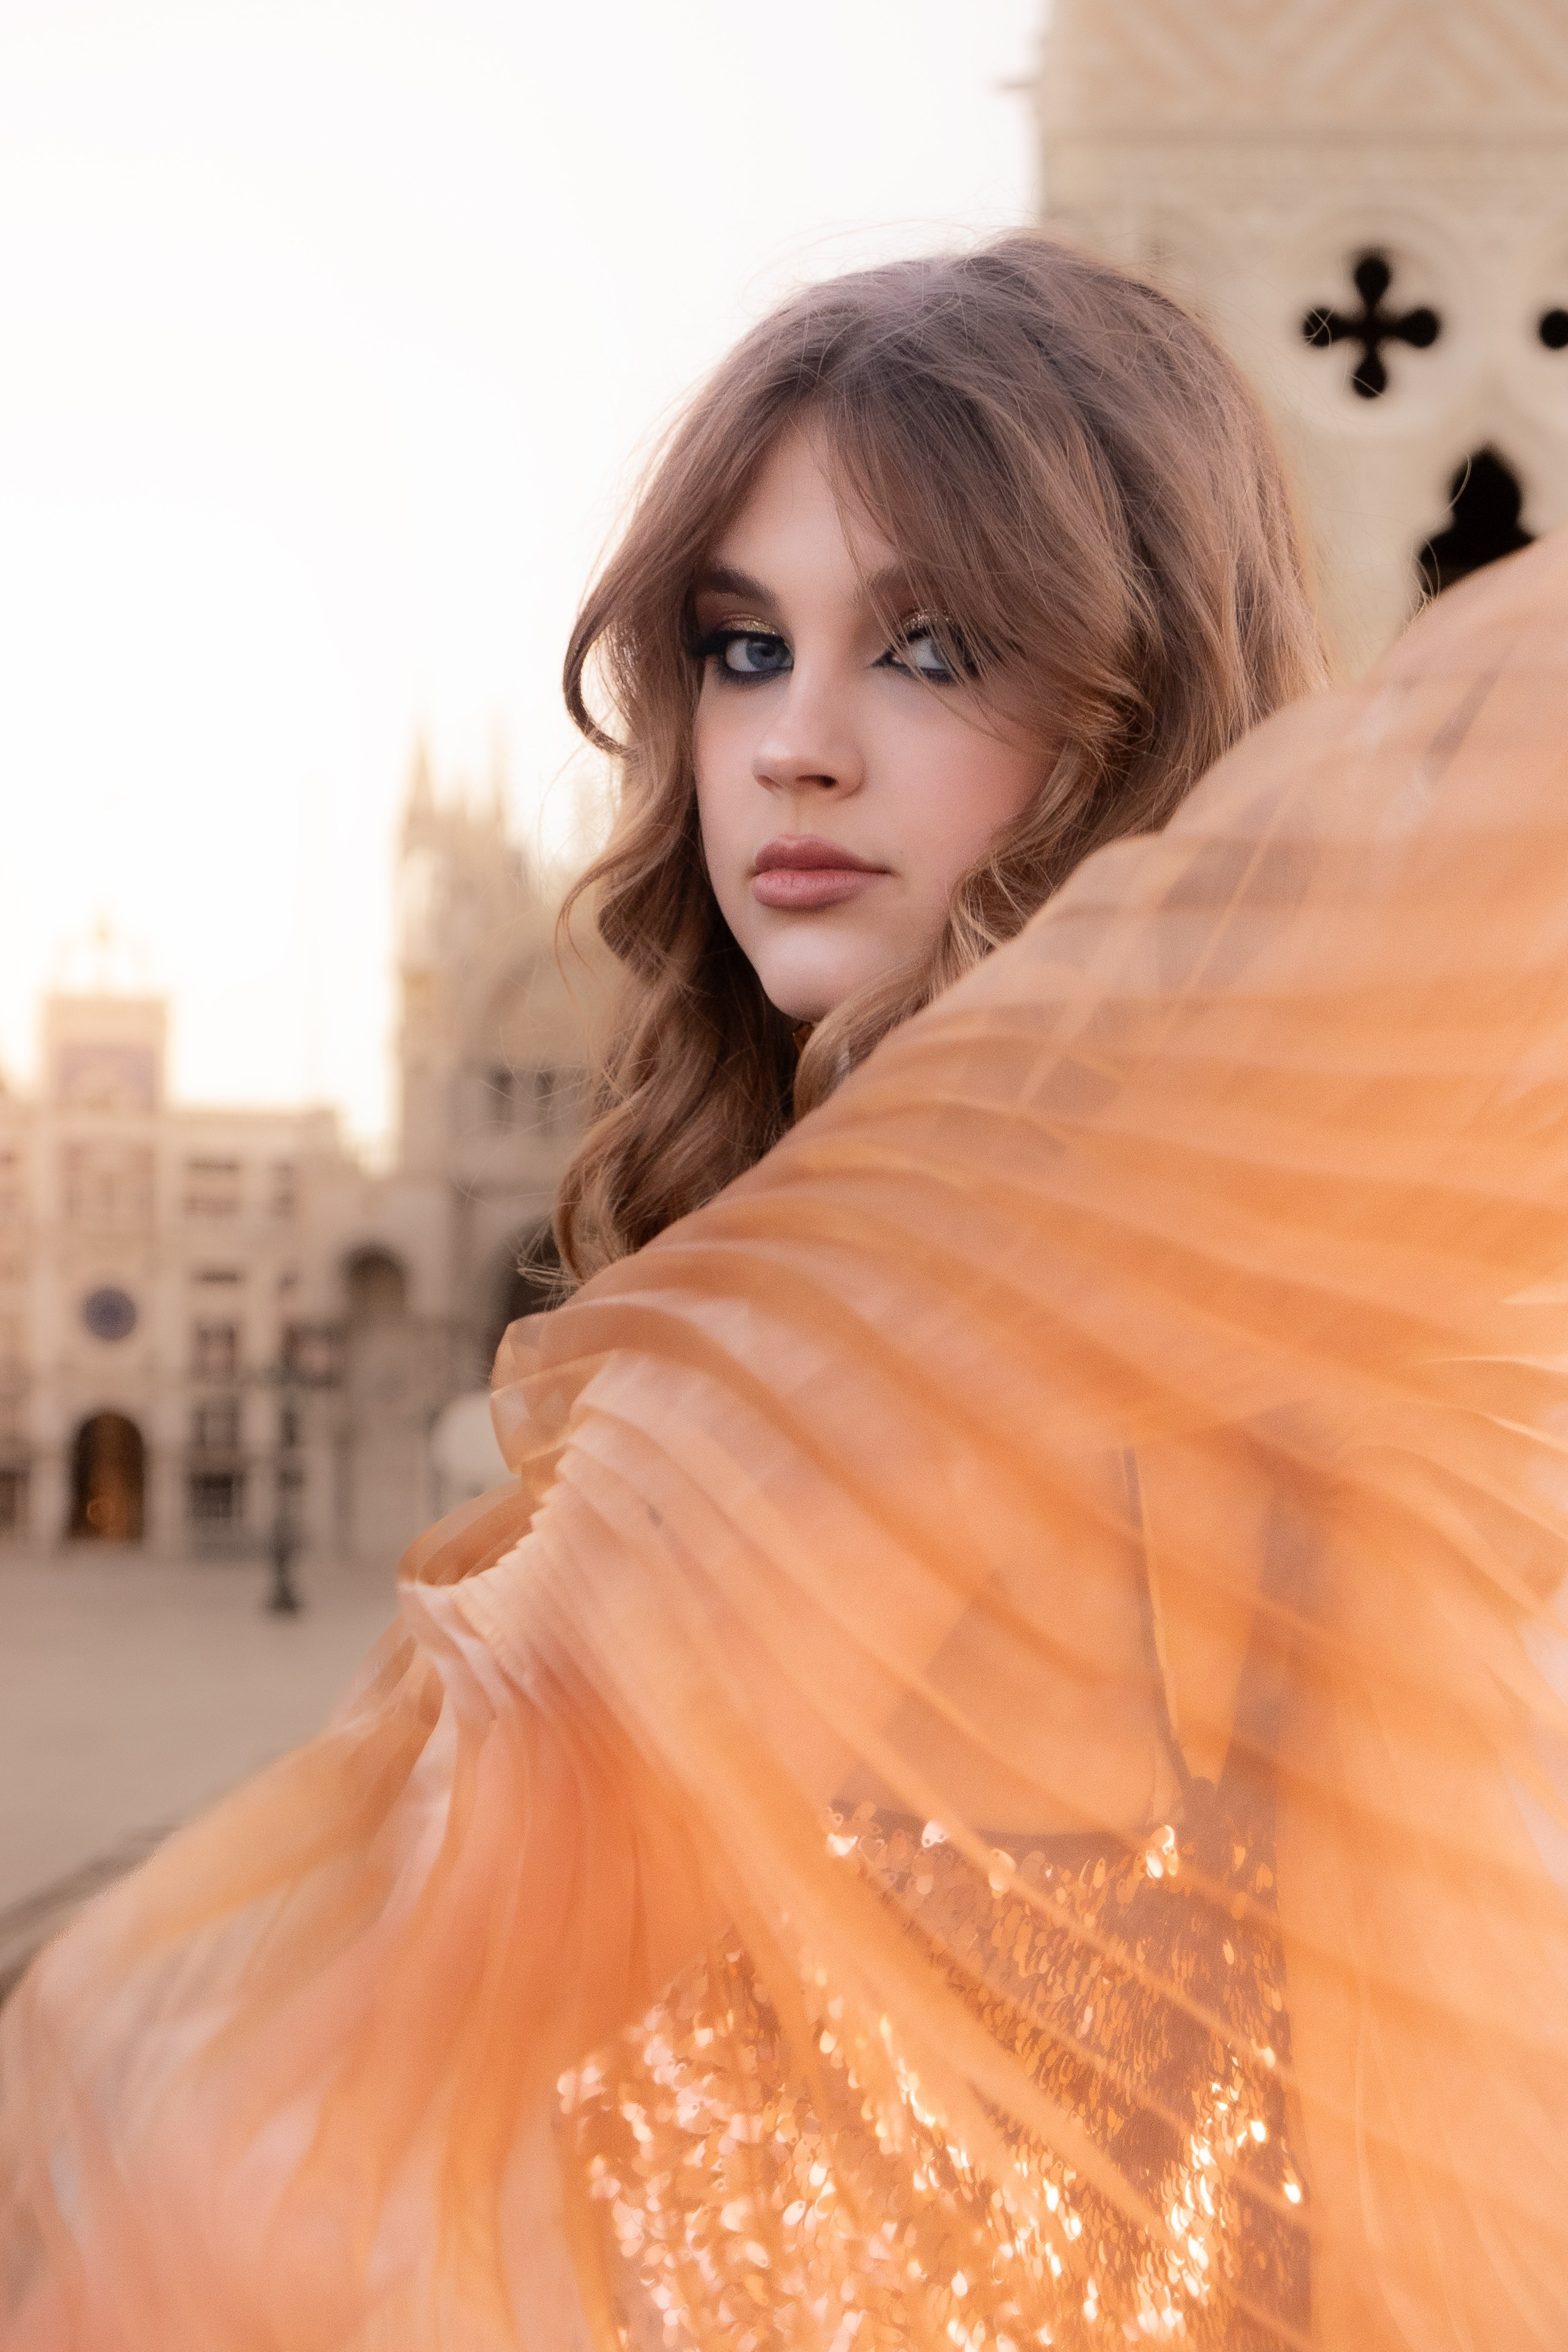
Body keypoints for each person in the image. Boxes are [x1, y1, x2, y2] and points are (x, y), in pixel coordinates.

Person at [4, 235, 1568, 2352]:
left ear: (1133, 703)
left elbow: (271, 2107)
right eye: (744, 649)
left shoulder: (818, 1371)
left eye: (929, 648)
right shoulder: (1313, 1329)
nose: (797, 748)